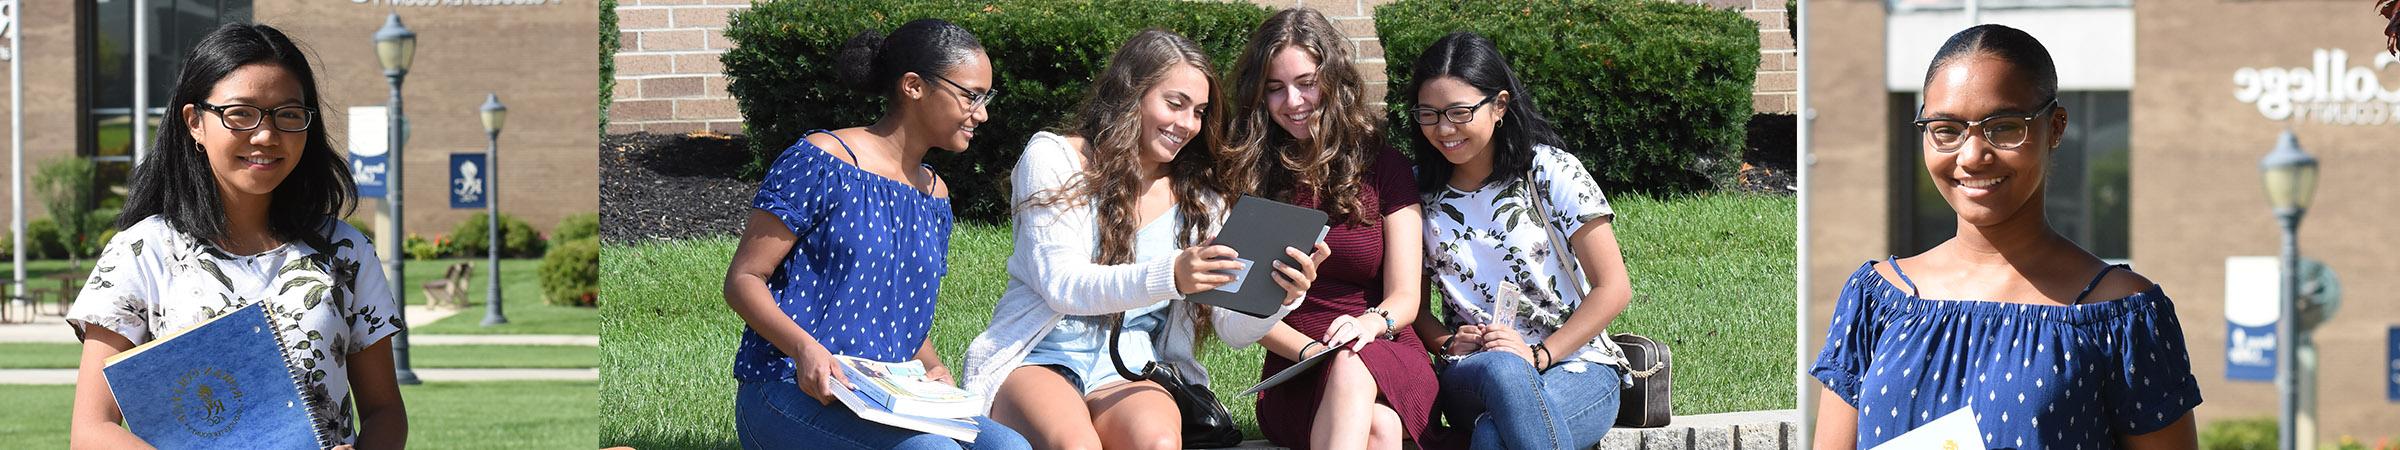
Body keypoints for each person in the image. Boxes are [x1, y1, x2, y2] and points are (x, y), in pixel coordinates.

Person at [1809, 24, 2201, 450]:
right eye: (1946, 129)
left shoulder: (2122, 316)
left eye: (2005, 127)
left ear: (2055, 128)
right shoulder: (1876, 300)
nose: (1973, 155)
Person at [961, 29, 1329, 450]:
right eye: (1175, 104)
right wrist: (1172, 275)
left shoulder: (1202, 198)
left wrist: (1277, 297)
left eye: (1199, 112)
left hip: (1133, 366)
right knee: (1075, 445)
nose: (1187, 124)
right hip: (1041, 355)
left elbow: (1231, 328)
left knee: (1157, 442)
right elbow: (1062, 285)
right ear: (1130, 94)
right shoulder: (1055, 157)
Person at [67, 23, 405, 449]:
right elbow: (91, 430)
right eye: (241, 113)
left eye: (288, 114)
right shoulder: (142, 253)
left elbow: (385, 411)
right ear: (194, 123)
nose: (266, 135)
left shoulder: (345, 251)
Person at [720, 18, 1028, 450]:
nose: (982, 113)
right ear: (914, 86)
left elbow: (897, 310)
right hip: (787, 389)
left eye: (985, 97)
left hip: (885, 399)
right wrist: (804, 349)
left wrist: (933, 369)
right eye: (970, 96)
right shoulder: (822, 160)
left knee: (1010, 447)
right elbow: (744, 281)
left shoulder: (935, 193)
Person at [1405, 31, 1636, 450]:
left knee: (1494, 434)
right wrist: (1448, 342)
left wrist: (1538, 355)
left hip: (1576, 366)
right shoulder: (1415, 195)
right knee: (1503, 370)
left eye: (1459, 112)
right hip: (1474, 373)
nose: (1443, 129)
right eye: (1429, 114)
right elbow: (1413, 307)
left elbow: (1613, 288)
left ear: (1499, 106)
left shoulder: (1549, 171)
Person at [1221, 7, 1435, 450]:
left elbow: (1406, 297)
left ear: (1334, 81)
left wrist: (1368, 325)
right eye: (1275, 89)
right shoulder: (1250, 174)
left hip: (1385, 347)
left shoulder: (1384, 166)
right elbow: (1243, 308)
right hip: (1298, 366)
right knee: (1379, 430)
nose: (1293, 102)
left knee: (1354, 363)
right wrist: (1309, 351)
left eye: (1306, 83)